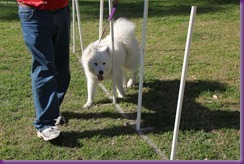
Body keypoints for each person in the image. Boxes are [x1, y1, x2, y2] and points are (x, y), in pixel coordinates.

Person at [17, 0, 70, 141]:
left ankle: (52, 110)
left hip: (61, 10)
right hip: (34, 12)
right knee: (44, 68)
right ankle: (45, 124)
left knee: (62, 68)